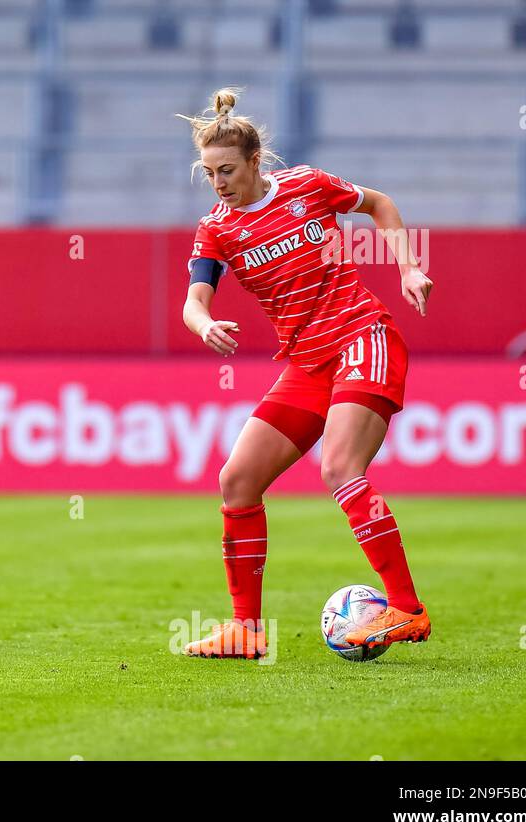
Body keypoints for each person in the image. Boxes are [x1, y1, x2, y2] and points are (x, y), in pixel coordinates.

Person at [177, 89, 433, 658]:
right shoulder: (216, 230)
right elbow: (194, 301)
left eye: (227, 170)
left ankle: (408, 610)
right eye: (208, 173)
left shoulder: (305, 186)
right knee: (236, 481)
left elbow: (379, 204)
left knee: (339, 466)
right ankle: (245, 630)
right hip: (307, 362)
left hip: (363, 334)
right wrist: (204, 325)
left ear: (254, 163)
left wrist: (409, 268)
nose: (218, 182)